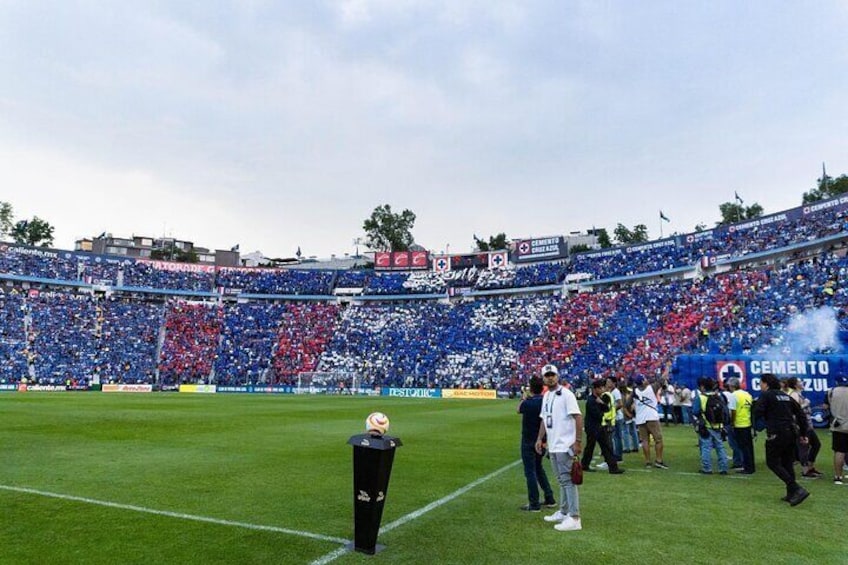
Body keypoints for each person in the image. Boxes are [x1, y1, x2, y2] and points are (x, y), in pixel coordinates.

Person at [535, 364, 584, 531]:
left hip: (565, 444)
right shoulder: (547, 395)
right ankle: (564, 511)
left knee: (568, 481)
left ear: (557, 376)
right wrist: (540, 438)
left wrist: (577, 441)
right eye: (547, 375)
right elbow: (544, 418)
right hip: (554, 444)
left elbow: (578, 417)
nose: (550, 377)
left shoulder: (566, 394)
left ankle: (575, 517)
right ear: (543, 378)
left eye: (552, 375)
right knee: (562, 480)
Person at [754, 373, 810, 505]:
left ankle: (796, 488)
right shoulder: (785, 396)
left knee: (772, 462)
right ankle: (791, 493)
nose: (760, 386)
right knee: (787, 463)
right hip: (791, 432)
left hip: (776, 433)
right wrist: (803, 434)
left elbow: (758, 412)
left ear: (766, 383)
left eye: (760, 383)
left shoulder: (766, 396)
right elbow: (801, 415)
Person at [517, 375, 556, 511]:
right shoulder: (545, 401)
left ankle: (534, 503)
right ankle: (549, 497)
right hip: (542, 440)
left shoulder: (529, 402)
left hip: (528, 440)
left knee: (530, 472)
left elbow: (518, 409)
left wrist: (524, 396)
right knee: (539, 469)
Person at [581, 379, 625, 474]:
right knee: (590, 447)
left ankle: (613, 468)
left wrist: (601, 403)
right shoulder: (591, 400)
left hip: (599, 427)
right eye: (600, 388)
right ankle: (584, 465)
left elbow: (607, 409)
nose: (602, 390)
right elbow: (599, 415)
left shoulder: (598, 399)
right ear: (595, 389)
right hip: (592, 427)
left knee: (606, 447)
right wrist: (600, 405)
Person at [785, 377, 823, 479]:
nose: (802, 382)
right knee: (803, 447)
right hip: (801, 425)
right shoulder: (794, 394)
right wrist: (805, 404)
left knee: (816, 444)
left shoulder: (799, 394)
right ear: (795, 384)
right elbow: (792, 410)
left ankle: (810, 466)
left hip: (807, 424)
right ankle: (805, 471)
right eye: (799, 381)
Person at [630, 374, 669, 469]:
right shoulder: (651, 388)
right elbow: (662, 379)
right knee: (658, 439)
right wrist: (667, 367)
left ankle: (647, 462)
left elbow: (627, 403)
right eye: (645, 378)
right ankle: (658, 460)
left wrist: (632, 412)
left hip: (640, 418)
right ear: (643, 381)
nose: (646, 379)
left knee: (645, 441)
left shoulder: (634, 391)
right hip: (651, 417)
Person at [692, 377, 729, 475]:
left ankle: (707, 468)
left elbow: (695, 411)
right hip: (718, 426)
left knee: (705, 447)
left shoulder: (700, 397)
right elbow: (725, 410)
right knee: (720, 447)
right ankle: (723, 468)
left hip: (706, 426)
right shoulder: (718, 396)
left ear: (703, 387)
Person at [727, 377, 755, 474]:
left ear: (732, 386)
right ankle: (751, 466)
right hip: (747, 422)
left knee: (742, 447)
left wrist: (732, 423)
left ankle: (747, 467)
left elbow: (733, 411)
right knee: (749, 447)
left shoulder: (734, 395)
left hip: (739, 424)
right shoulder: (747, 394)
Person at [825, 375, 848, 485]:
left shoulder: (831, 391)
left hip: (838, 425)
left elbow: (826, 406)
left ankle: (838, 476)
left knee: (839, 451)